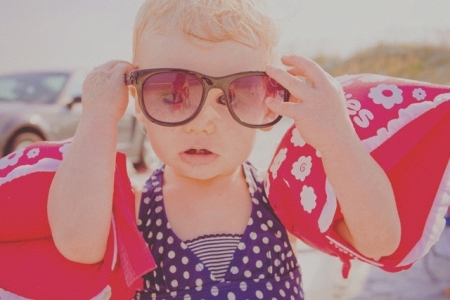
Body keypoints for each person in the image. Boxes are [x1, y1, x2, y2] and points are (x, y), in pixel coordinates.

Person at [47, 1, 401, 298]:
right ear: (138, 102)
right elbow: (78, 244)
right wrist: (97, 119)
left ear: (270, 102)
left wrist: (337, 135)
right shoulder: (136, 206)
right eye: (172, 94)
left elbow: (379, 241)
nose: (202, 122)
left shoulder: (280, 196)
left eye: (236, 94)